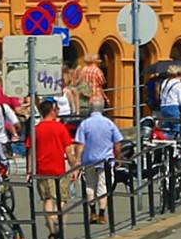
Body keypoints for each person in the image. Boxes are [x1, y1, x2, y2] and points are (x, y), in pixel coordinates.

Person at [27, 98, 75, 231]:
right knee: (62, 198)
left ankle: (52, 230)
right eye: (57, 109)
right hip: (59, 168)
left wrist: (29, 170)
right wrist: (75, 166)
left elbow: (30, 151)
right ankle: (57, 219)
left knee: (47, 198)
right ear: (52, 111)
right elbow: (69, 151)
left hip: (42, 168)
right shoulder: (60, 128)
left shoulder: (36, 129)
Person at [75, 97, 122, 221]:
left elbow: (80, 144)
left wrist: (78, 160)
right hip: (105, 160)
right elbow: (117, 143)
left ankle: (92, 211)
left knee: (90, 185)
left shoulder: (85, 124)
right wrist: (117, 158)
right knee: (103, 186)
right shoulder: (109, 123)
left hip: (89, 159)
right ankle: (102, 213)